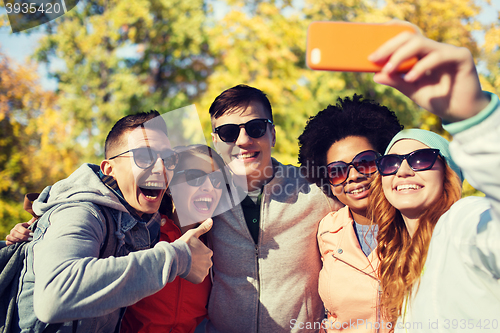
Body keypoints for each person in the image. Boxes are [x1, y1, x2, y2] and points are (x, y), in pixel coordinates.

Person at [14, 111, 213, 332]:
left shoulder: (143, 218)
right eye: (144, 157)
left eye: (167, 159)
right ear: (109, 169)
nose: (160, 168)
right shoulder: (81, 210)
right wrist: (178, 258)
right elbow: (54, 297)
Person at [367, 30, 499, 330]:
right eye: (390, 163)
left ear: (448, 173)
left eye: (420, 159)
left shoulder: (466, 223)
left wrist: (474, 117)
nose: (403, 171)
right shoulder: (396, 259)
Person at [207, 84, 342, 332]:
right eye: (228, 133)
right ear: (216, 142)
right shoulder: (202, 196)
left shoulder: (315, 188)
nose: (243, 141)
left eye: (255, 128)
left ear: (273, 134)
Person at [297, 95, 402, 332]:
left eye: (365, 162)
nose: (352, 176)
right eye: (337, 171)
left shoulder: (417, 223)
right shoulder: (326, 230)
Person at [120, 144, 229, 333]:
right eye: (195, 177)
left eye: (217, 181)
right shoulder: (137, 234)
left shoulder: (217, 248)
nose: (209, 187)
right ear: (170, 185)